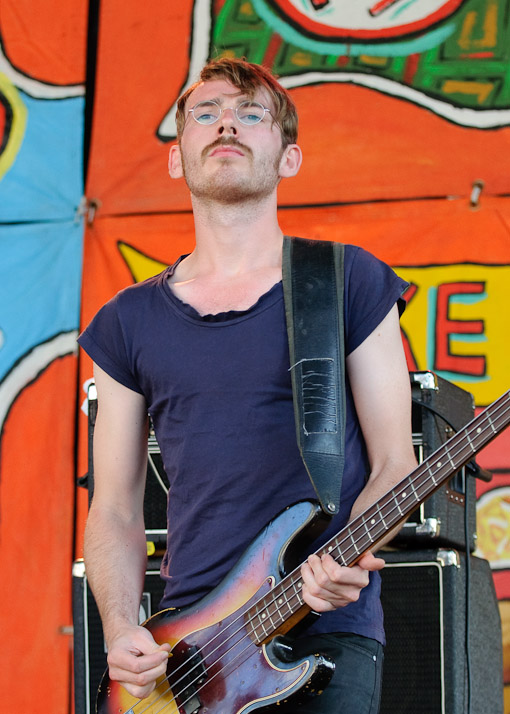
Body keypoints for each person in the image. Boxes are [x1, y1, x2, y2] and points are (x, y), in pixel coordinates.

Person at [78, 57, 417, 714]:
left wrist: (350, 555)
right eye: (205, 113)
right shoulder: (126, 321)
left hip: (326, 629)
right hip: (188, 650)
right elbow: (115, 508)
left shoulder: (347, 282)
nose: (226, 122)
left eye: (250, 113)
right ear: (178, 158)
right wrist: (122, 628)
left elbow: (394, 464)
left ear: (288, 158)